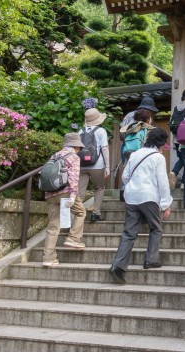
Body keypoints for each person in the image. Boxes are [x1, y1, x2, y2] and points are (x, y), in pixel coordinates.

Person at [110, 128, 173, 284]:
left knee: (129, 233)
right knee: (156, 227)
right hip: (149, 196)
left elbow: (125, 177)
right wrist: (166, 204)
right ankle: (151, 259)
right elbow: (163, 182)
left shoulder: (136, 154)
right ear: (162, 142)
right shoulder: (158, 157)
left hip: (131, 197)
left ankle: (118, 266)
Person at [43, 132, 86, 267]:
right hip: (66, 192)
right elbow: (73, 177)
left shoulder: (54, 155)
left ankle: (48, 258)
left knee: (52, 226)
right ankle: (73, 238)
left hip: (50, 193)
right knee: (80, 212)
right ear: (76, 146)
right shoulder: (73, 157)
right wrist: (73, 195)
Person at [79, 108, 110, 223]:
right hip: (97, 164)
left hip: (82, 165)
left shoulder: (80, 131)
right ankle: (96, 213)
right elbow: (105, 149)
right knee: (99, 187)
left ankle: (77, 215)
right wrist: (107, 166)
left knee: (80, 191)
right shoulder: (101, 131)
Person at [169, 89, 185, 188]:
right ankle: (179, 176)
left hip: (176, 137)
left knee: (182, 158)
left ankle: (175, 174)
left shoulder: (176, 107)